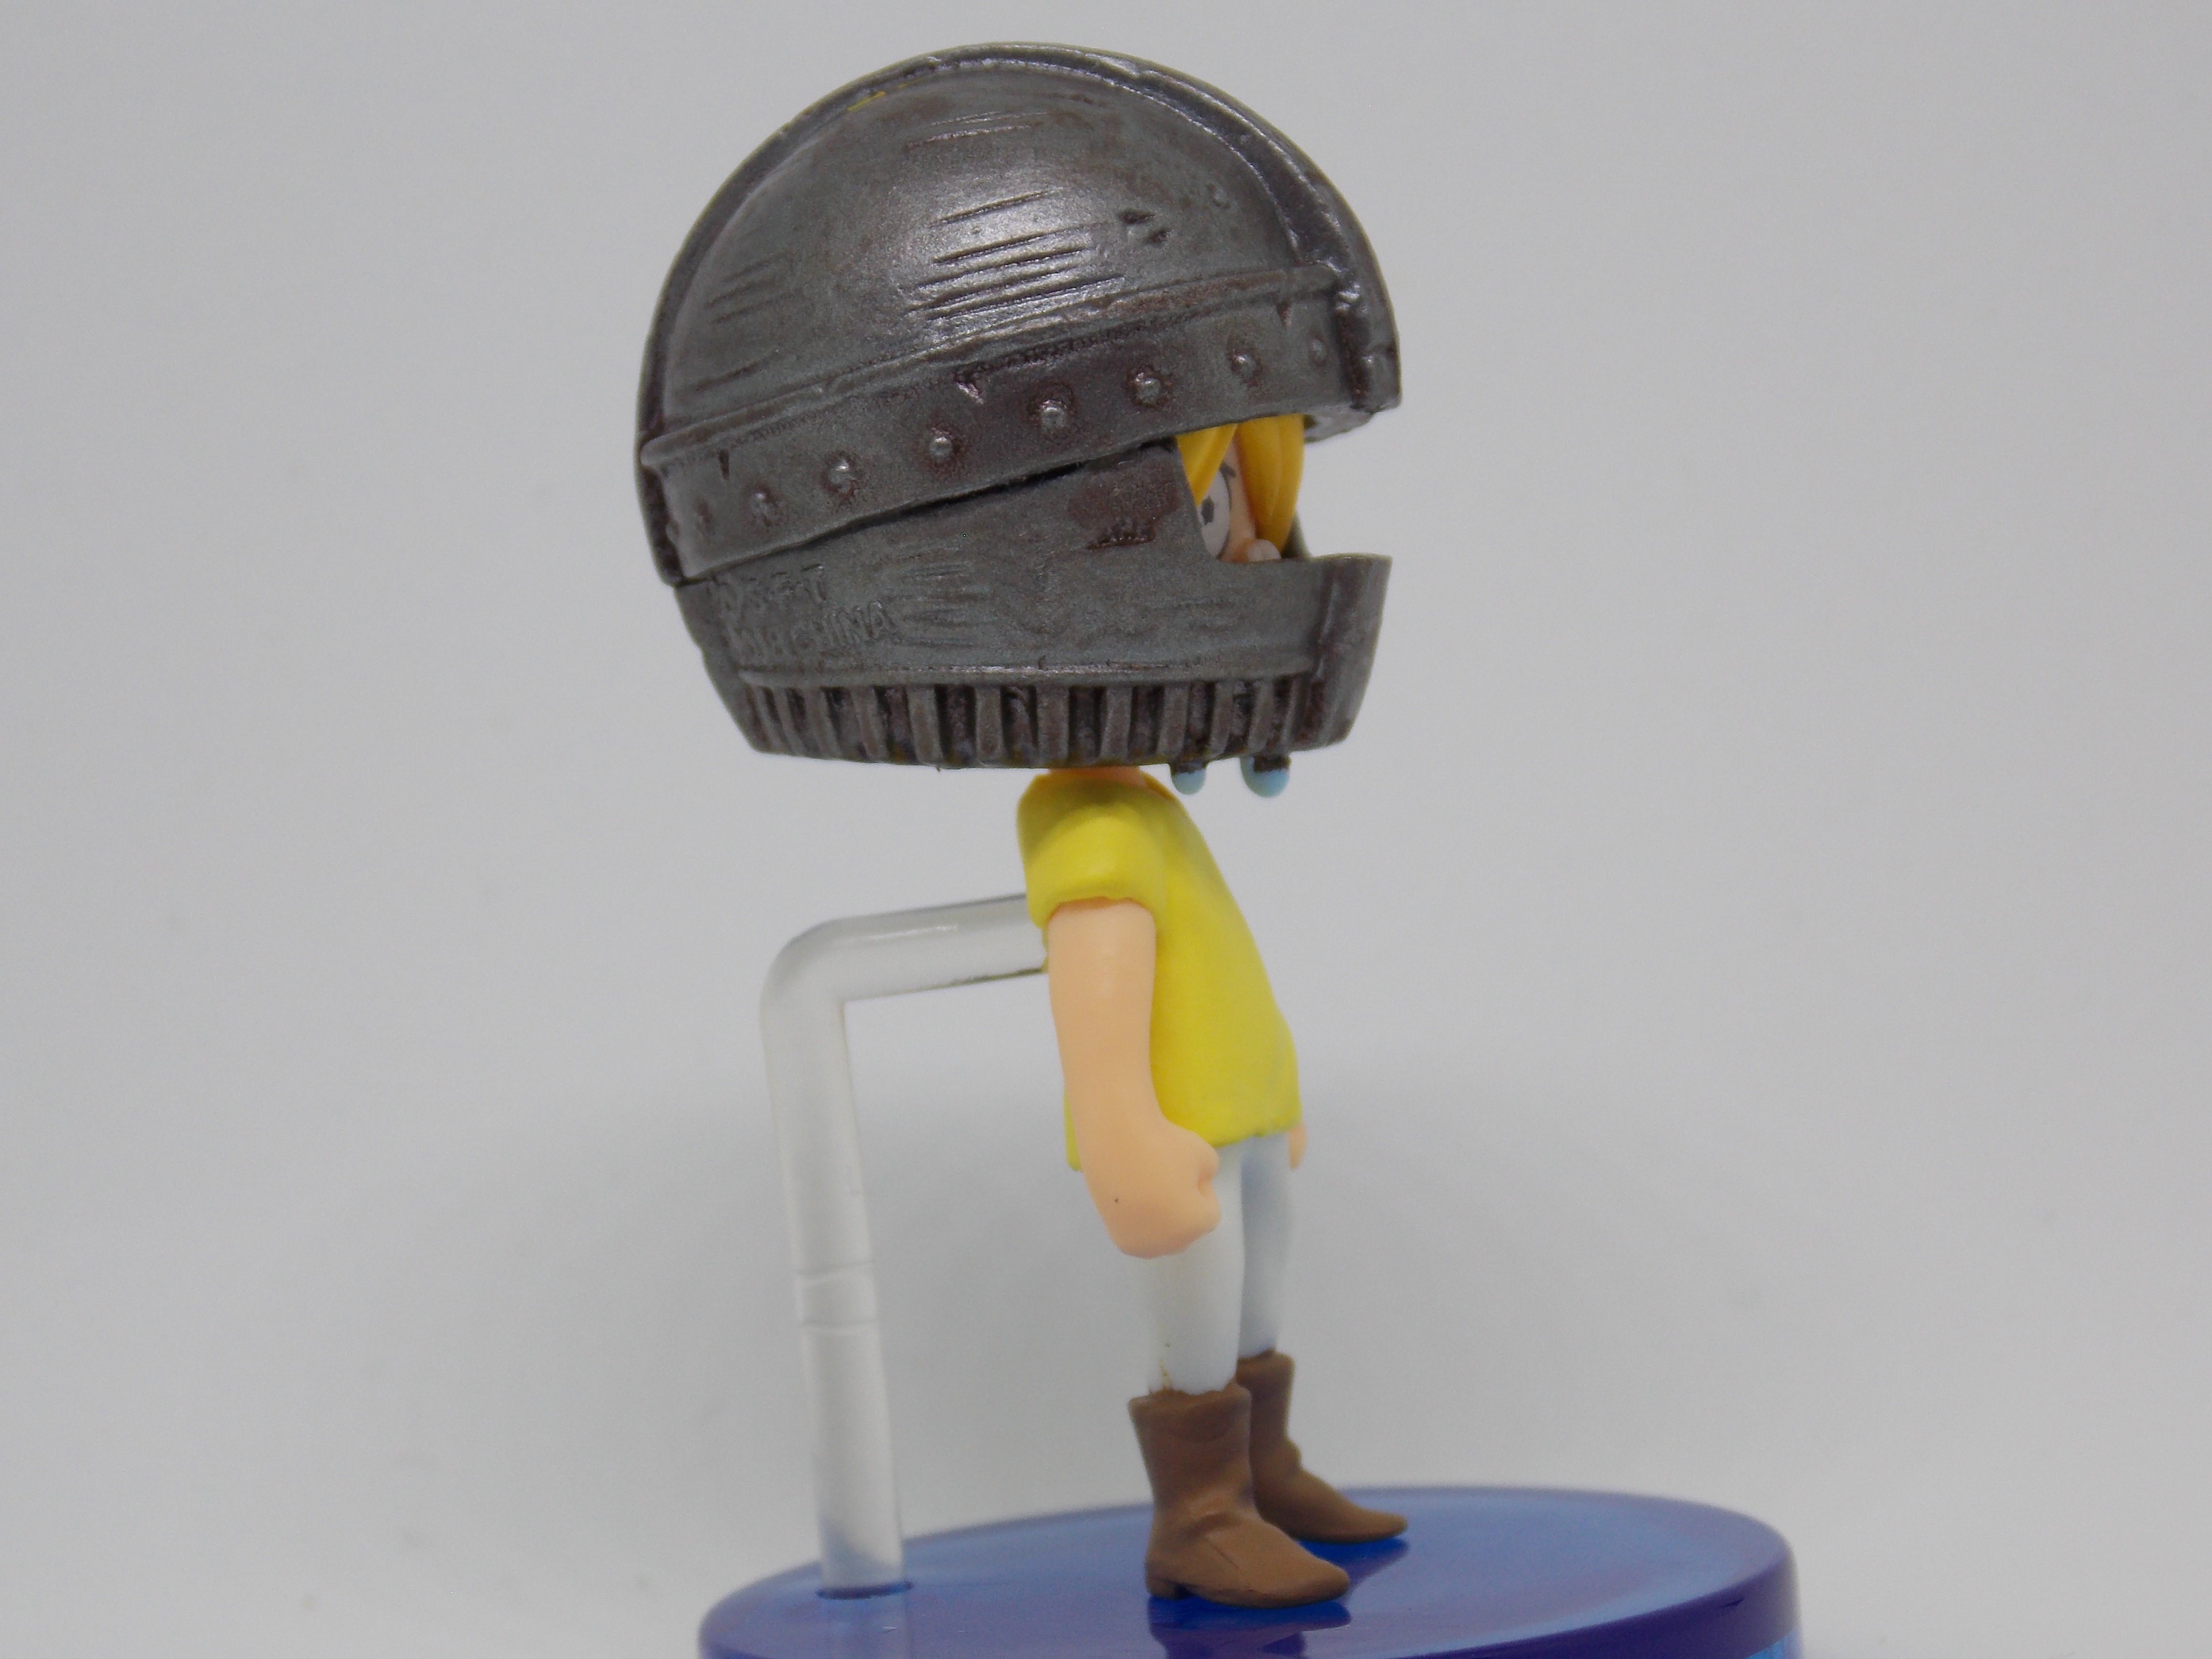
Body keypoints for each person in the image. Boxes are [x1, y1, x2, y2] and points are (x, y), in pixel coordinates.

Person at [1018, 420, 1407, 1610]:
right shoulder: (1089, 815)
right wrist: (1121, 1129)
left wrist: (1275, 1100)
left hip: (1240, 1109)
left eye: (1243, 516)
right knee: (1196, 1312)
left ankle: (1262, 1471)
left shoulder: (1147, 807)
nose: (1255, 558)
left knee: (1257, 1290)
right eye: (1208, 514)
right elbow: (1095, 981)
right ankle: (1199, 1516)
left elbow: (1210, 968)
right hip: (1176, 1125)